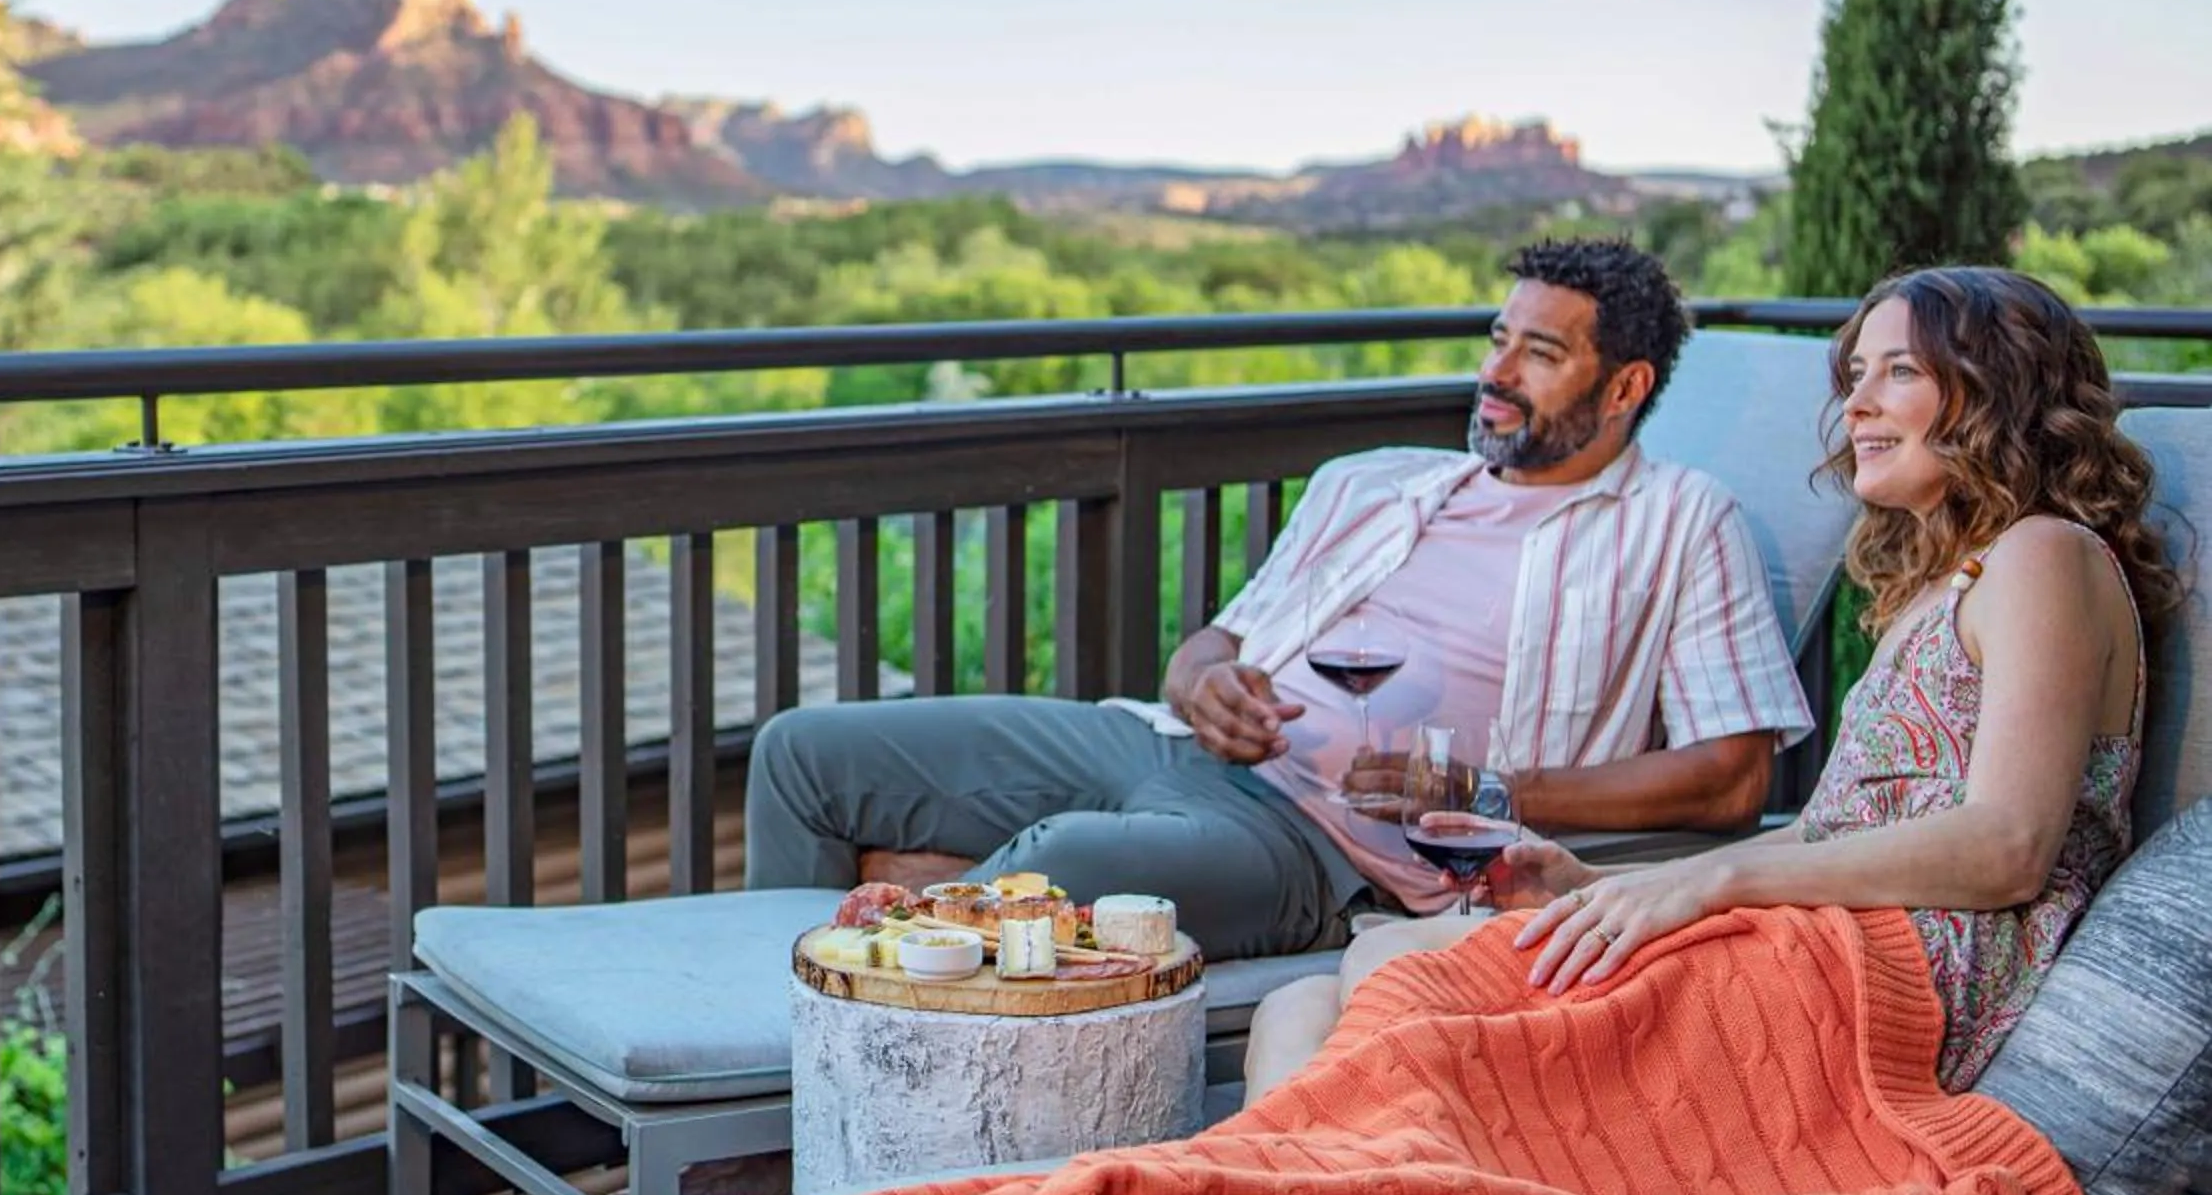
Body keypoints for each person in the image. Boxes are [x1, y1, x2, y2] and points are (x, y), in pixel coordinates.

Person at [744, 237, 1816, 963]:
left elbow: (1733, 778)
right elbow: (1216, 642)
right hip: (1173, 745)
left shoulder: (1682, 522)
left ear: (1625, 387)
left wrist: (1490, 789)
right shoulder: (1377, 482)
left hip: (1320, 846)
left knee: (1064, 860)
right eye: (1498, 338)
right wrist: (1203, 682)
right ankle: (781, 1045)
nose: (1497, 371)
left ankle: (939, 905)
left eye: (1540, 353)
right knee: (803, 754)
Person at [1246, 265, 2179, 1096]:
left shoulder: (2044, 555)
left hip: (1894, 976)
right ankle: (1293, 1188)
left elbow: (2008, 845)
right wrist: (1602, 882)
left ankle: (1313, 1192)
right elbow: (1827, 830)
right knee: (1303, 1002)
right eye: (1857, 374)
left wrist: (1719, 879)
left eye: (1899, 371)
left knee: (1391, 974)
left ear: (2000, 392)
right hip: (1828, 931)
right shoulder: (1942, 589)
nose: (1856, 404)